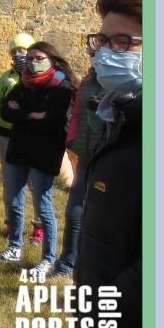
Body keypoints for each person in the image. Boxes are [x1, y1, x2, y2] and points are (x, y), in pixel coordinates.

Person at [76, 0, 142, 328]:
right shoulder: (126, 115)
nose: (105, 53)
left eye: (123, 42)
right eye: (102, 40)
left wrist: (110, 306)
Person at [0, 41, 77, 281]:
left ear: (52, 60)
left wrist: (22, 114)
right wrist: (33, 114)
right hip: (19, 148)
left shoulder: (63, 88)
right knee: (13, 199)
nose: (32, 63)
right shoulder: (23, 83)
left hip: (44, 152)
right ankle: (14, 247)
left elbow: (54, 122)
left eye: (38, 58)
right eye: (29, 58)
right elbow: (6, 112)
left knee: (43, 205)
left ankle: (48, 258)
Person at [54, 50, 106, 278]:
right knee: (74, 212)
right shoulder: (87, 81)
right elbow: (76, 115)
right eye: (96, 49)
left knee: (103, 218)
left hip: (108, 161)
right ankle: (67, 263)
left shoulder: (129, 83)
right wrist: (72, 140)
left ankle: (97, 269)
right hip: (85, 156)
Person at [0, 32, 44, 244]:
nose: (18, 55)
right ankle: (13, 223)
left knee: (34, 183)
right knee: (10, 182)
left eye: (23, 50)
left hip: (30, 136)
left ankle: (39, 226)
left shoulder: (40, 77)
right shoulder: (6, 76)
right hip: (5, 135)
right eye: (14, 51)